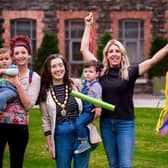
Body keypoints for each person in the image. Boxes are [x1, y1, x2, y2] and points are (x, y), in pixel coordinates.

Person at [80, 12, 168, 168]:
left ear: (122, 54)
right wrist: (88, 25)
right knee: (113, 164)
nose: (114, 54)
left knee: (125, 164)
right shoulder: (100, 72)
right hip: (107, 124)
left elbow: (153, 60)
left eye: (117, 51)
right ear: (106, 55)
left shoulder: (130, 71)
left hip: (125, 124)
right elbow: (84, 50)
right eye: (111, 51)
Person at [39, 54, 92, 168]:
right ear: (49, 70)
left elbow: (90, 100)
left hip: (80, 132)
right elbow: (45, 120)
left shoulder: (76, 83)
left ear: (65, 67)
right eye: (54, 66)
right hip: (61, 133)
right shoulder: (44, 91)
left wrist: (97, 106)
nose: (58, 69)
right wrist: (50, 144)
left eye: (60, 65)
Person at [0, 35, 41, 168]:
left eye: (23, 52)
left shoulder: (33, 77)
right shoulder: (4, 71)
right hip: (0, 124)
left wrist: (17, 83)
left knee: (16, 164)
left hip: (19, 128)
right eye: (17, 53)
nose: (20, 56)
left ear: (29, 54)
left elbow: (29, 105)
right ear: (13, 56)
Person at [74, 60, 102, 154]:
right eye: (85, 72)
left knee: (79, 124)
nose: (87, 74)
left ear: (97, 74)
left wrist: (98, 107)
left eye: (90, 72)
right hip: (83, 110)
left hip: (89, 111)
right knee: (78, 123)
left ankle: (84, 143)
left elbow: (98, 99)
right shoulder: (85, 83)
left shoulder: (96, 86)